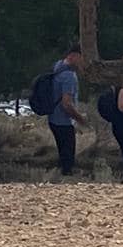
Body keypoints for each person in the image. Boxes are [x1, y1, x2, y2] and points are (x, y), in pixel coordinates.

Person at [47, 44, 86, 176]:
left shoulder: (57, 66)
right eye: (82, 58)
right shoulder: (69, 76)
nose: (83, 62)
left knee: (62, 153)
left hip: (53, 118)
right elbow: (67, 104)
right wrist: (79, 118)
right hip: (63, 122)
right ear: (73, 56)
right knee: (68, 158)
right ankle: (66, 182)